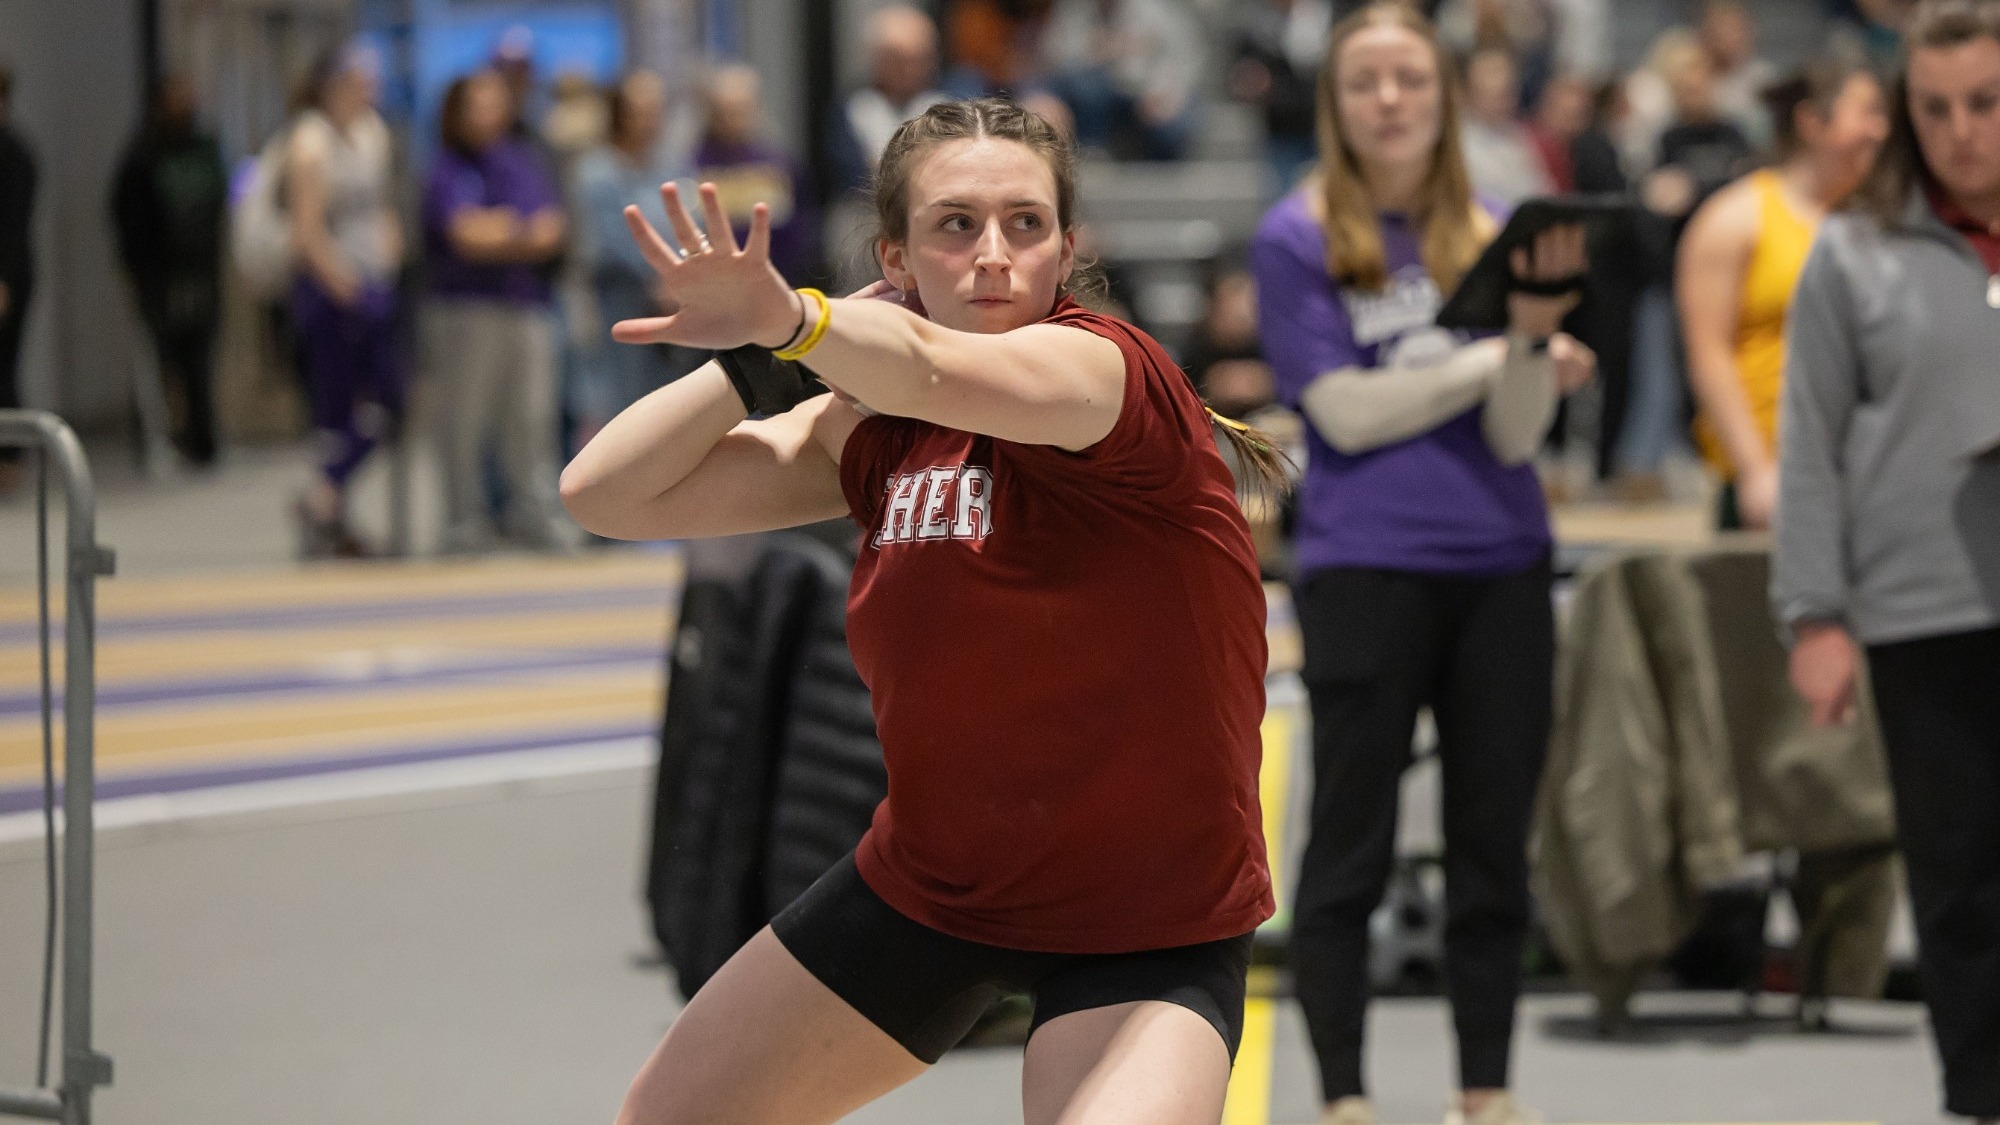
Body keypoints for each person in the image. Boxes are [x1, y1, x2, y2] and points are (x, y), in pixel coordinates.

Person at [562, 96, 1283, 1123]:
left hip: (1145, 913)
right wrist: (752, 361)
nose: (994, 255)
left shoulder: (1106, 375)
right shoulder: (870, 427)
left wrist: (798, 320)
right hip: (936, 886)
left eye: (1024, 225)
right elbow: (606, 495)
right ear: (893, 260)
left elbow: (938, 368)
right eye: (955, 226)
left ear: (1068, 248)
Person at [1246, 6, 1594, 1125]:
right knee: (1349, 845)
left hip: (1501, 563)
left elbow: (1513, 434)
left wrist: (1530, 347)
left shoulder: (1496, 228)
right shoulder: (1293, 235)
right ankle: (1345, 1098)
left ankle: (1482, 1096)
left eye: (1407, 78)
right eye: (1364, 82)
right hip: (1364, 568)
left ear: (1441, 95)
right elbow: (1340, 414)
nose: (1387, 99)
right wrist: (1494, 350)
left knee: (1492, 851)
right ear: (1335, 103)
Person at [1777, 3, 2000, 1121]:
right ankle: (1976, 1094)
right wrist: (1811, 614)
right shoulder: (1852, 248)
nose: (1960, 131)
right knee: (1956, 877)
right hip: (1923, 607)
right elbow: (1806, 444)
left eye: (1984, 104)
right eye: (1934, 109)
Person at [1678, 58, 1888, 531]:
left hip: (1867, 474)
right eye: (1868, 112)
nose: (1881, 129)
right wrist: (1755, 469)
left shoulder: (1877, 221)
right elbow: (1708, 353)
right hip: (1773, 475)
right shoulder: (1734, 218)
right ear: (1813, 123)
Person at [422, 69, 575, 554]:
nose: (488, 113)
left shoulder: (523, 160)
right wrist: (516, 233)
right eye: (476, 104)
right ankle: (463, 522)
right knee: (464, 421)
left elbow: (551, 230)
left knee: (531, 418)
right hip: (467, 311)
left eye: (495, 103)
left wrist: (503, 233)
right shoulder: (448, 167)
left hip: (526, 307)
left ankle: (536, 515)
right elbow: (465, 236)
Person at [285, 44, 402, 557]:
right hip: (332, 292)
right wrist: (345, 287)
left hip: (372, 285)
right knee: (338, 412)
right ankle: (329, 507)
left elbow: (382, 207)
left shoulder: (372, 133)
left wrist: (388, 260)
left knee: (387, 402)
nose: (368, 91)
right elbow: (308, 231)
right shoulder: (309, 142)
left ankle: (324, 496)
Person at [574, 71, 704, 446]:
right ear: (618, 114)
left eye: (654, 112)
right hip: (623, 298)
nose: (649, 121)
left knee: (673, 405)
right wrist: (660, 277)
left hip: (675, 299)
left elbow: (692, 221)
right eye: (639, 112)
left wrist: (684, 275)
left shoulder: (672, 165)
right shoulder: (597, 171)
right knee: (624, 404)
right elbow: (610, 238)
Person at [112, 73, 230, 469]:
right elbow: (125, 216)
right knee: (164, 361)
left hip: (201, 272)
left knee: (201, 358)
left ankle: (203, 439)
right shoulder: (143, 155)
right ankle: (164, 439)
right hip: (159, 277)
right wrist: (137, 271)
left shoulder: (205, 148)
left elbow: (219, 206)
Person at [693, 65, 820, 286]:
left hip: (778, 277)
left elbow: (801, 227)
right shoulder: (693, 166)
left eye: (741, 110)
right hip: (717, 282)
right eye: (725, 111)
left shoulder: (778, 165)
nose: (733, 120)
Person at [1038, 0, 1206, 161]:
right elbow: (1053, 56)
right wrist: (1095, 51)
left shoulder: (1158, 10)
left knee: (1174, 127)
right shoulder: (1075, 10)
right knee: (1086, 89)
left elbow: (1187, 58)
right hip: (1106, 96)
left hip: (1156, 91)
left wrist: (1164, 91)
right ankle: (1093, 153)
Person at [829, 5, 949, 196]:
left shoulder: (948, 104)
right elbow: (846, 174)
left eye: (918, 59)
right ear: (877, 59)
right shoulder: (854, 107)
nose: (908, 69)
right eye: (897, 60)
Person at [1233, 0, 1335, 198]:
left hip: (1327, 125)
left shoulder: (1334, 16)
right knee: (1282, 198)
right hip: (1282, 127)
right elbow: (1241, 72)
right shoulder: (1256, 26)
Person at [1459, 47, 1554, 206]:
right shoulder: (1456, 143)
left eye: (1509, 87)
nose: (1502, 82)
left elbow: (1545, 196)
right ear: (1468, 89)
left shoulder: (1522, 136)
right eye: (1491, 73)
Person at [0, 63, 34, 495]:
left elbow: (12, 225)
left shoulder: (16, 153)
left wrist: (4, 279)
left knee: (4, 369)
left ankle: (8, 460)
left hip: (9, 276)